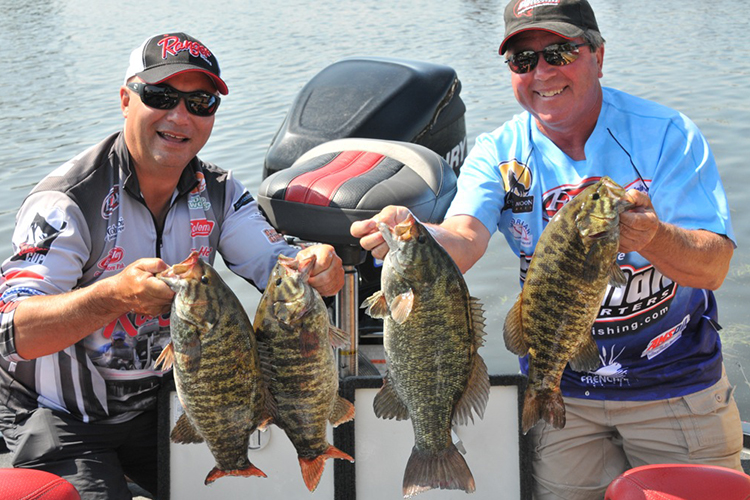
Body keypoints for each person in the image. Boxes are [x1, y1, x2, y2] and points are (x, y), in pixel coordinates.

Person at [351, 1, 741, 498]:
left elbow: (714, 268)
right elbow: (464, 238)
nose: (542, 72)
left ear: (598, 55)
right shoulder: (498, 151)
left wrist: (654, 237)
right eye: (523, 60)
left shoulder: (667, 135)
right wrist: (414, 235)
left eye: (559, 51)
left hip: (677, 388)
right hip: (562, 396)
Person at [0, 32, 344, 499]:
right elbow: (12, 334)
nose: (180, 116)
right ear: (126, 99)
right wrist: (111, 296)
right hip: (62, 416)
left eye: (200, 102)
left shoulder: (221, 192)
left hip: (165, 408)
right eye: (161, 96)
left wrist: (319, 266)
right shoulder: (67, 201)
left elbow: (279, 265)